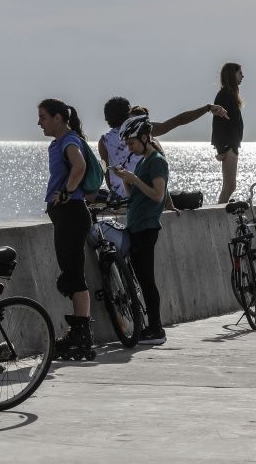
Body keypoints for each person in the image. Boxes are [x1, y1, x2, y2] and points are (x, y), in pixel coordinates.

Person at [37, 99, 95, 359]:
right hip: (68, 215)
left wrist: (66, 192)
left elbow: (79, 166)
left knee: (74, 275)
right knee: (72, 273)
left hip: (71, 213)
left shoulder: (69, 141)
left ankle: (81, 336)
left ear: (58, 118)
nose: (39, 122)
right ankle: (79, 334)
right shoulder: (62, 142)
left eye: (43, 117)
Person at [99, 97, 227, 201]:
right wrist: (207, 108)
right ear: (128, 114)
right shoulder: (141, 129)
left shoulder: (103, 141)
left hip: (120, 198)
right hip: (145, 195)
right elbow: (178, 121)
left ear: (107, 118)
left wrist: (116, 194)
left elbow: (107, 173)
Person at [112, 115, 169, 345]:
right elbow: (135, 196)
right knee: (142, 278)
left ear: (145, 138)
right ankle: (152, 327)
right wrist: (126, 180)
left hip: (147, 227)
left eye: (132, 143)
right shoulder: (144, 161)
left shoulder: (156, 160)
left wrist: (133, 178)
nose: (129, 147)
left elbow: (158, 196)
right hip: (137, 226)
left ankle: (156, 329)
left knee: (147, 280)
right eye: (127, 144)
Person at [212, 63, 244, 204]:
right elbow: (218, 123)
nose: (242, 76)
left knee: (230, 186)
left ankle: (219, 211)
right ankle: (218, 213)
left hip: (233, 145)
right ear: (232, 75)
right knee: (230, 186)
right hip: (228, 146)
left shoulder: (231, 95)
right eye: (239, 73)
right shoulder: (224, 95)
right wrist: (221, 147)